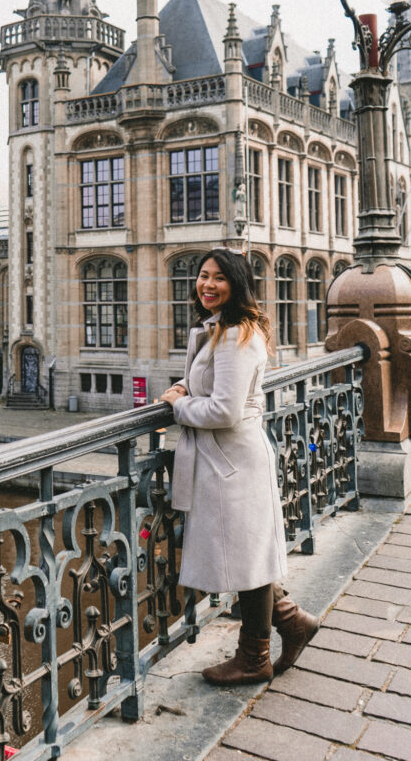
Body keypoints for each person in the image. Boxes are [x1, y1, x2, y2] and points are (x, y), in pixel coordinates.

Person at [160, 248, 318, 686]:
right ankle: (292, 622)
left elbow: (225, 410)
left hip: (231, 460)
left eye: (219, 278)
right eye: (202, 276)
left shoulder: (235, 336)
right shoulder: (221, 330)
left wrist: (179, 405)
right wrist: (184, 385)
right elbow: (215, 385)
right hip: (227, 459)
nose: (207, 284)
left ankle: (254, 658)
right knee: (248, 555)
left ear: (237, 284)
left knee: (247, 559)